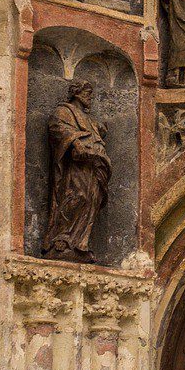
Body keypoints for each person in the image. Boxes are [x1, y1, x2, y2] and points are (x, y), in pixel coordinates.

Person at [43, 79, 111, 260]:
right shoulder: (64, 112)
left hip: (93, 166)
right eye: (88, 94)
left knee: (92, 200)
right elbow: (56, 127)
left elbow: (97, 132)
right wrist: (75, 141)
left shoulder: (89, 119)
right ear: (77, 93)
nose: (90, 99)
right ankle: (62, 238)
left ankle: (80, 243)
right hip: (75, 166)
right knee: (77, 195)